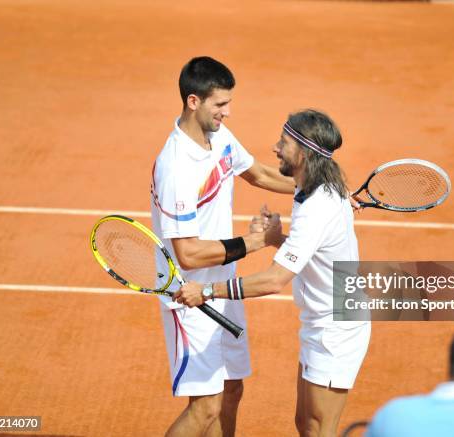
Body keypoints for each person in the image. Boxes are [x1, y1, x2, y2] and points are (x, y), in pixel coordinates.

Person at [177, 109, 372, 437]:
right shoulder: (307, 188)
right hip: (321, 320)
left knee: (320, 430)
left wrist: (207, 291)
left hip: (338, 327)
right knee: (305, 424)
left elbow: (274, 280)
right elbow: (312, 254)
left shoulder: (317, 207)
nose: (275, 147)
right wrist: (273, 238)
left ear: (305, 152)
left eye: (284, 142)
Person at [150, 56, 294, 437]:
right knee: (205, 409)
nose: (227, 112)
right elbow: (189, 253)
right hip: (189, 295)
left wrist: (319, 187)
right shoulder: (177, 167)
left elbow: (259, 174)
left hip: (221, 286)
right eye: (220, 104)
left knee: (232, 389)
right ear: (194, 101)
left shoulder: (218, 136)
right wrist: (258, 241)